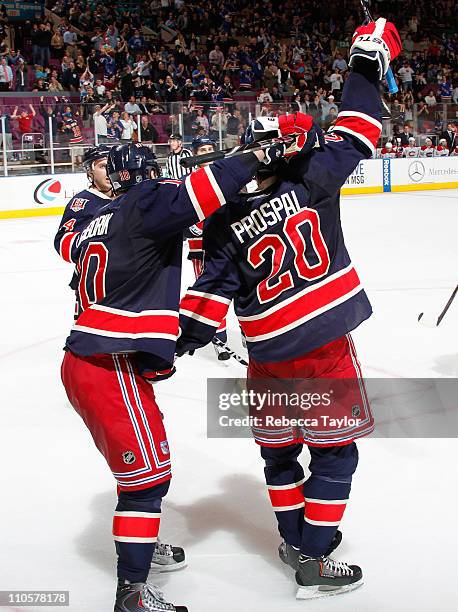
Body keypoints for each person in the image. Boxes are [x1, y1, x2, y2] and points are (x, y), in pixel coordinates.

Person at [176, 17, 401, 600]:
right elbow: (358, 127)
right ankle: (314, 559)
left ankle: (290, 538)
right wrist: (362, 64)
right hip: (322, 343)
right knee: (334, 456)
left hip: (266, 353)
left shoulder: (223, 217)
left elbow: (205, 300)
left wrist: (170, 344)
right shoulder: (315, 179)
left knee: (280, 456)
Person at [55, 141, 278, 611]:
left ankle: (139, 540)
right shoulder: (140, 203)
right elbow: (201, 190)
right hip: (108, 362)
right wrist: (258, 155)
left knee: (138, 473)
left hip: (100, 356)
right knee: (148, 480)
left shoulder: (106, 213)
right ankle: (132, 591)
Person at [185, 137, 230, 361]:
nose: (208, 152)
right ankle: (220, 339)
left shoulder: (228, 175)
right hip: (201, 249)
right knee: (213, 294)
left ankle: (245, 332)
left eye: (211, 148)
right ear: (196, 155)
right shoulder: (189, 183)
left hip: (231, 243)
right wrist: (193, 228)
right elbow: (185, 219)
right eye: (203, 150)